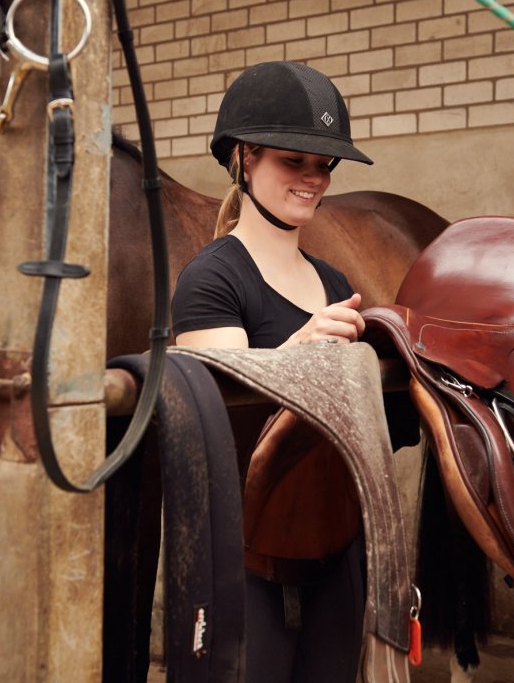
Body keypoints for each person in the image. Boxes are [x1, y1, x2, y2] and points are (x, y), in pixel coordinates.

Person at [171, 61, 373, 682]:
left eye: (324, 165)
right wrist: (299, 346)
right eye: (294, 161)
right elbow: (216, 411)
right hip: (246, 549)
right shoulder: (211, 279)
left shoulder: (334, 282)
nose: (314, 178)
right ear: (244, 158)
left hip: (336, 535)